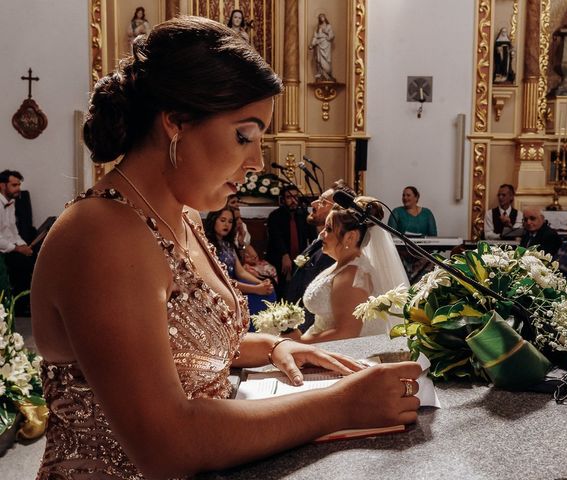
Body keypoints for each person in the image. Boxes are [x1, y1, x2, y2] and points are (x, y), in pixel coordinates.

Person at [31, 17, 420, 478]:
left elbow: (181, 349)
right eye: (244, 135)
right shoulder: (101, 234)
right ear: (176, 121)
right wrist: (342, 405)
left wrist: (276, 346)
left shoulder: (183, 218)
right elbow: (167, 443)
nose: (256, 161)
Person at [290, 196, 409, 343]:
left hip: (342, 355)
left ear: (350, 237)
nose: (321, 234)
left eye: (329, 229)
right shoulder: (342, 266)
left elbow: (346, 333)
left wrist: (298, 343)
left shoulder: (353, 275)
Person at [284, 180, 355, 331]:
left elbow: (324, 302)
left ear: (337, 210)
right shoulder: (320, 241)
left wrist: (298, 334)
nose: (314, 203)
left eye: (323, 201)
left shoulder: (335, 252)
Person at [204, 207, 275, 316]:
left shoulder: (228, 244)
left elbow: (240, 272)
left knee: (269, 291)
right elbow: (221, 280)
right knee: (257, 298)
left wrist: (261, 283)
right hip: (221, 289)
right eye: (222, 220)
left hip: (234, 284)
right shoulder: (207, 245)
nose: (227, 225)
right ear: (213, 220)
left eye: (230, 221)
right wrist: (255, 289)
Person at [266, 185, 315, 296]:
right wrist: (285, 255)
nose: (293, 200)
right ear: (283, 200)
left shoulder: (304, 215)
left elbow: (313, 238)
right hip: (278, 259)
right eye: (289, 197)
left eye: (295, 197)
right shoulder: (275, 216)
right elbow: (276, 238)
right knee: (282, 290)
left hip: (300, 258)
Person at [0, 169, 35, 315]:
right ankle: (20, 306)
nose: (18, 188)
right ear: (2, 185)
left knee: (33, 257)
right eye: (14, 185)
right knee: (22, 263)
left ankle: (27, 302)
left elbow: (14, 232)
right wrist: (16, 248)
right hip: (3, 250)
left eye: (19, 185)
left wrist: (23, 245)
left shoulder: (11, 203)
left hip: (10, 247)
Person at [309, 13, 335, 82]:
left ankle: (328, 75)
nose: (321, 18)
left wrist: (325, 31)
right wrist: (312, 44)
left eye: (322, 17)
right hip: (319, 44)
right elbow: (315, 37)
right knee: (318, 60)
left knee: (326, 59)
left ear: (325, 18)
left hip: (326, 43)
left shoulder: (328, 26)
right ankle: (321, 74)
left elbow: (331, 35)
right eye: (320, 17)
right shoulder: (317, 27)